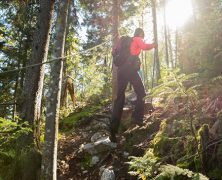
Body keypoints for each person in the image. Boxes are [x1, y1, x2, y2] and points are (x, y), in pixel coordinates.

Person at [110, 28, 156, 142]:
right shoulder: (137, 38)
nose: (142, 38)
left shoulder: (125, 41)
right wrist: (154, 45)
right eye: (143, 36)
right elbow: (144, 46)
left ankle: (112, 132)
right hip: (130, 70)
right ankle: (137, 118)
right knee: (141, 93)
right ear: (140, 34)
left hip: (120, 71)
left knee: (119, 99)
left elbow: (113, 52)